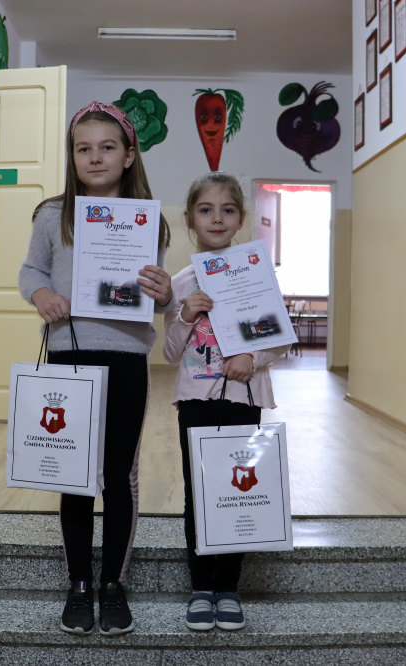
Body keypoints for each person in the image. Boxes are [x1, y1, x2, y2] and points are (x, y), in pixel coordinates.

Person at [19, 102, 172, 636]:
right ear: (73, 157)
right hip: (69, 355)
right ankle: (80, 584)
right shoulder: (52, 214)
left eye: (107, 147)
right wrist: (40, 294)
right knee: (74, 476)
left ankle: (113, 584)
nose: (95, 157)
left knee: (118, 476)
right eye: (83, 148)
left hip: (126, 359)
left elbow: (157, 296)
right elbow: (31, 271)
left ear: (129, 155)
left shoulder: (148, 219)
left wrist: (164, 293)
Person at [163, 172, 289, 631]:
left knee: (238, 492)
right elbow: (170, 353)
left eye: (227, 210)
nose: (217, 218)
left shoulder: (257, 273)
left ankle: (228, 589)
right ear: (189, 219)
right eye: (206, 209)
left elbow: (280, 340)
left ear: (241, 218)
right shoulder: (181, 283)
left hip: (243, 399)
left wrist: (251, 358)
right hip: (196, 400)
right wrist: (185, 315)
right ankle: (201, 587)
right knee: (198, 493)